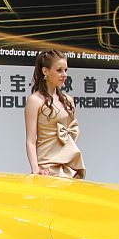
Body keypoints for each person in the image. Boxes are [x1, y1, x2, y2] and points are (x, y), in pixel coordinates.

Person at [24, 50, 85, 178]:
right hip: (46, 169)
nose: (64, 75)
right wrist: (36, 169)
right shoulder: (35, 100)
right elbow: (30, 140)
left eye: (65, 70)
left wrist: (67, 151)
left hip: (69, 166)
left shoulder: (68, 100)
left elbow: (75, 130)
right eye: (59, 70)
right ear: (45, 71)